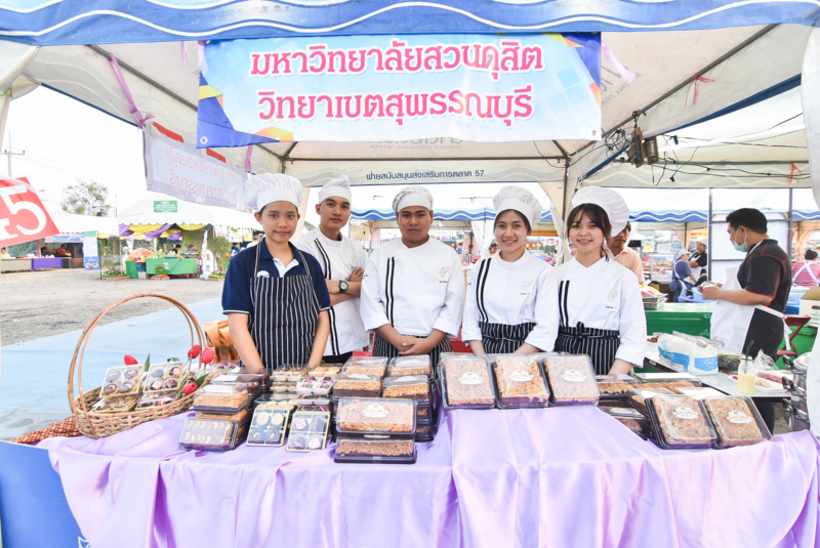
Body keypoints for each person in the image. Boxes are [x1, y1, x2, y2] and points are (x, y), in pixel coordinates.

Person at [531, 187, 646, 375]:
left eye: (593, 226)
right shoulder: (555, 275)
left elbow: (634, 335)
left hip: (607, 365)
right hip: (560, 365)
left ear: (607, 230)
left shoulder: (624, 278)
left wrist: (611, 381)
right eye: (576, 226)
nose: (583, 232)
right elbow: (543, 328)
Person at [222, 173, 331, 372]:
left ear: (298, 218)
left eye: (290, 215)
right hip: (259, 372)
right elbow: (237, 328)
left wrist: (311, 369)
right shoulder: (243, 263)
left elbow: (323, 319)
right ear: (259, 217)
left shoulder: (310, 264)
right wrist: (260, 376)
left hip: (304, 372)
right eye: (273, 215)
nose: (283, 223)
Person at [702, 208, 790, 432]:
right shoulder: (762, 252)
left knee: (754, 387)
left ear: (743, 229)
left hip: (756, 330)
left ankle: (761, 435)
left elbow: (761, 295)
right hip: (757, 328)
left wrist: (719, 294)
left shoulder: (765, 255)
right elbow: (752, 286)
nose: (731, 238)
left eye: (731, 232)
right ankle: (744, 431)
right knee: (746, 384)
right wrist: (721, 287)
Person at [361, 186, 464, 365]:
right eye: (406, 215)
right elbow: (370, 303)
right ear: (397, 217)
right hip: (390, 343)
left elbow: (454, 304)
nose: (413, 221)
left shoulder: (448, 255)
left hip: (435, 344)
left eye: (420, 215)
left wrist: (428, 343)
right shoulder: (380, 255)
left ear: (431, 216)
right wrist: (399, 341)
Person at [462, 186, 552, 354]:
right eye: (502, 226)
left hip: (526, 356)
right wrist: (483, 360)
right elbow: (470, 320)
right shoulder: (480, 268)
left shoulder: (543, 271)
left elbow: (545, 328)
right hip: (485, 353)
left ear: (528, 230)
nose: (508, 233)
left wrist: (511, 362)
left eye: (516, 225)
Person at [296, 175, 368, 364]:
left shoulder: (355, 248)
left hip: (352, 339)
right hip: (317, 342)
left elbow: (370, 289)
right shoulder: (304, 247)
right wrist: (351, 287)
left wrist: (336, 286)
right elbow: (310, 299)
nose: (337, 211)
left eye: (344, 206)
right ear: (318, 208)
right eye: (330, 204)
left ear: (350, 212)